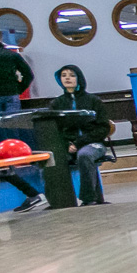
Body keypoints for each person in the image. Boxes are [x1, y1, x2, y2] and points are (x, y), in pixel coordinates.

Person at [48, 64, 113, 206]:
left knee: (84, 155)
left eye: (72, 75)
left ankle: (88, 199)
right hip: (67, 145)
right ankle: (57, 201)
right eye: (64, 76)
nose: (67, 78)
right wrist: (67, 144)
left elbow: (103, 128)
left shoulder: (93, 100)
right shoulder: (56, 103)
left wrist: (78, 143)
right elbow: (53, 130)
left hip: (93, 143)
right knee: (50, 159)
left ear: (79, 78)